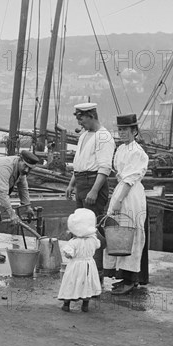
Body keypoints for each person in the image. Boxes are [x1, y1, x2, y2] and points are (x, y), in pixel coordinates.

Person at [65, 102, 115, 278]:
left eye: (82, 120)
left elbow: (105, 168)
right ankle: (82, 267)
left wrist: (94, 191)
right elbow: (79, 162)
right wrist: (72, 183)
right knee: (80, 227)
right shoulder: (85, 135)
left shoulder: (104, 137)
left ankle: (96, 272)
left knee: (92, 230)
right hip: (81, 180)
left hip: (93, 182)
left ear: (92, 116)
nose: (80, 124)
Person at [104, 114, 149, 295]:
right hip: (121, 190)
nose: (122, 133)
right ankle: (123, 275)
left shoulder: (138, 152)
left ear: (134, 131)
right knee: (119, 233)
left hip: (130, 194)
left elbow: (130, 179)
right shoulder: (121, 149)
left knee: (131, 232)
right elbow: (120, 174)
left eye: (126, 130)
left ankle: (131, 279)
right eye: (120, 129)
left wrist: (119, 200)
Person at [57, 208, 103, 312]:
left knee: (71, 283)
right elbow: (98, 245)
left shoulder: (74, 242)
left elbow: (68, 254)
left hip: (75, 266)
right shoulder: (93, 240)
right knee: (87, 283)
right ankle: (85, 305)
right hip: (89, 265)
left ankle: (66, 304)